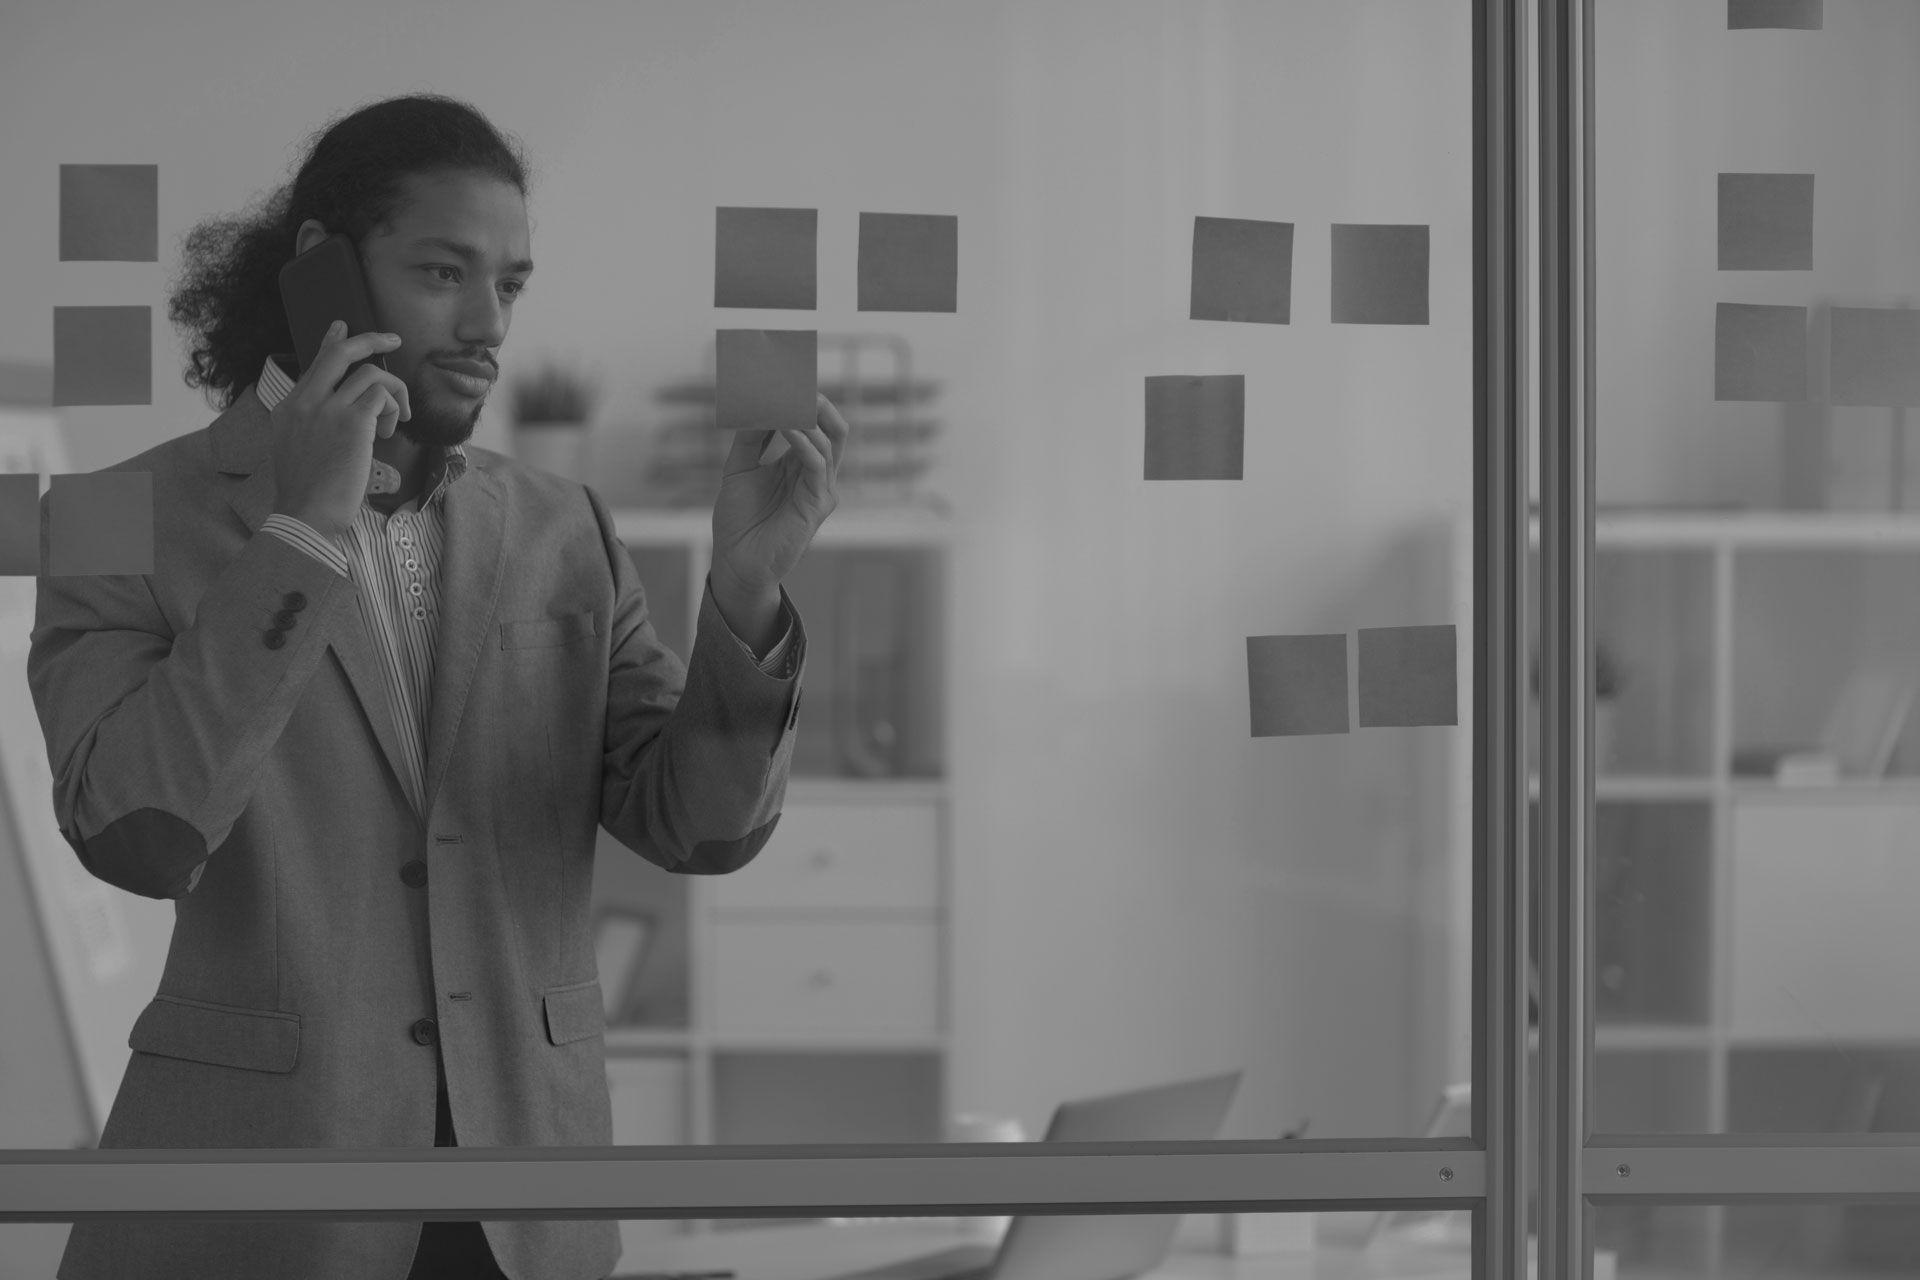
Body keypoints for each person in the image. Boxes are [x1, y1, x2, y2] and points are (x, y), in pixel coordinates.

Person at [28, 93, 845, 1280]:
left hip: (525, 1205)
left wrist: (749, 594)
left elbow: (703, 829)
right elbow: (137, 834)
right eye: (443, 273)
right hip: (257, 1212)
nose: (487, 322)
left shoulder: (565, 524)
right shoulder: (107, 514)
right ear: (323, 269)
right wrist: (304, 531)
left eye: (508, 283)